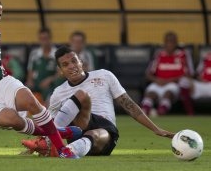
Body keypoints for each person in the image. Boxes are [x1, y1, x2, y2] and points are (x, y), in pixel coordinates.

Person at [0, 0, 80, 159]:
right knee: (13, 120)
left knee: (30, 101)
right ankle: (60, 131)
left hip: (2, 81)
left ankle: (62, 149)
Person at [22, 46, 174, 157]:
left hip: (104, 131)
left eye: (74, 61)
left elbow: (129, 105)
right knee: (80, 96)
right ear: (60, 70)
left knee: (94, 130)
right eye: (65, 65)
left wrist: (156, 129)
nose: (71, 66)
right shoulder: (58, 92)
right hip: (77, 129)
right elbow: (50, 122)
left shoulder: (104, 75)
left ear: (81, 62)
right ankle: (59, 147)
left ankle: (64, 148)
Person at [141, 31, 194, 116]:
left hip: (173, 84)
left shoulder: (183, 55)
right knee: (150, 94)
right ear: (164, 43)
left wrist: (172, 80)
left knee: (168, 93)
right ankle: (144, 112)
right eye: (168, 42)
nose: (170, 44)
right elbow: (148, 74)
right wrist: (156, 80)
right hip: (158, 83)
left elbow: (189, 74)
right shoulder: (158, 55)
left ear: (176, 43)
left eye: (172, 42)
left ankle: (160, 112)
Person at [26, 28, 59, 104]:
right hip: (36, 83)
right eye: (41, 39)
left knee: (49, 95)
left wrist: (50, 79)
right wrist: (30, 81)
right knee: (24, 91)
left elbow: (60, 73)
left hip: (51, 85)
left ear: (50, 39)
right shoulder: (34, 53)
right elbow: (30, 71)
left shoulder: (57, 53)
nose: (43, 41)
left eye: (45, 38)